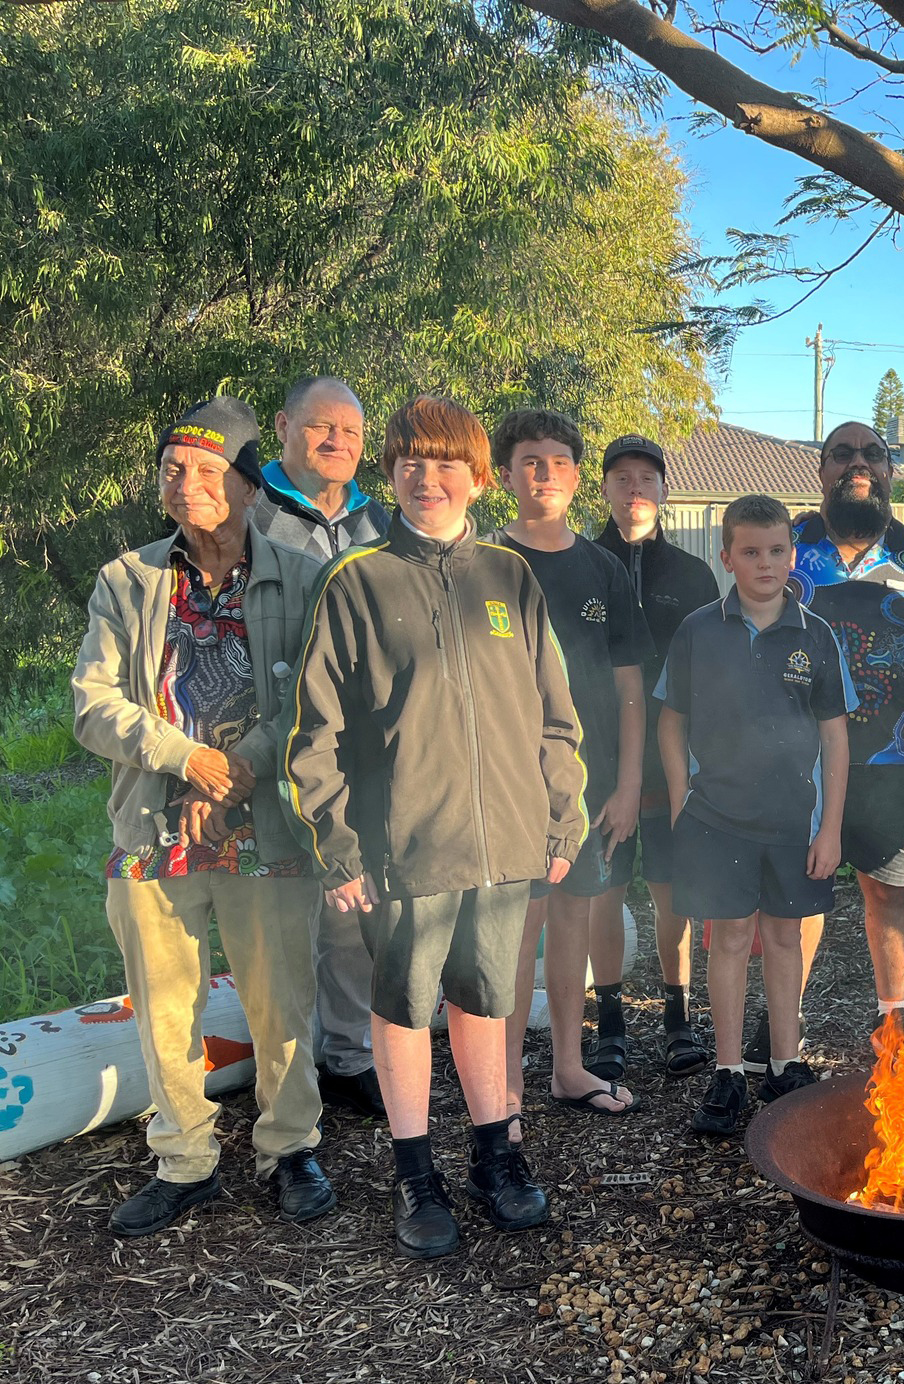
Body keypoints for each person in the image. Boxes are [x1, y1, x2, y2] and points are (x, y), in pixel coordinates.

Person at [286, 395, 587, 1259]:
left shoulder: (510, 577)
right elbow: (315, 733)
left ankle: (496, 1156)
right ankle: (414, 1173)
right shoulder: (357, 582)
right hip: (404, 848)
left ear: (478, 478)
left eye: (447, 462)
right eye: (411, 462)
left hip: (504, 843)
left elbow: (554, 712)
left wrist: (560, 817)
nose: (428, 477)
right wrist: (339, 846)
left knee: (486, 1000)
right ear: (390, 474)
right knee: (405, 1008)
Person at [73, 397, 336, 1236]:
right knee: (164, 1006)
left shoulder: (302, 578)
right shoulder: (128, 579)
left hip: (269, 830)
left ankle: (290, 1147)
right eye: (172, 469)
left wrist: (235, 770)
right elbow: (92, 705)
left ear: (251, 485)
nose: (185, 483)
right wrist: (185, 759)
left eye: (208, 470)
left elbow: (314, 700)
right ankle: (184, 1159)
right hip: (154, 830)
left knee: (280, 1000)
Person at [655, 494, 855, 1135]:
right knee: (731, 939)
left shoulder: (815, 634)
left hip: (794, 820)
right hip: (717, 818)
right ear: (727, 558)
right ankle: (728, 1071)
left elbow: (836, 737)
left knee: (785, 939)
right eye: (750, 552)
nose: (765, 563)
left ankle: (784, 1064)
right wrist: (680, 797)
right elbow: (670, 720)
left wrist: (831, 827)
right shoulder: (698, 630)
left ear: (792, 555)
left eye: (776, 550)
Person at [489, 410, 652, 1127]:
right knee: (515, 934)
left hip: (589, 785)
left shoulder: (602, 569)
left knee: (573, 920)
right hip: (508, 785)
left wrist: (628, 784)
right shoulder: (484, 563)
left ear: (578, 477)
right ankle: (503, 1087)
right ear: (505, 476)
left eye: (558, 461)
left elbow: (630, 686)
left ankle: (566, 1065)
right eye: (530, 461)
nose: (545, 474)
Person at [776, 422, 904, 1059]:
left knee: (888, 891)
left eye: (873, 454)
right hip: (800, 760)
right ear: (821, 469)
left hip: (894, 762)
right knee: (798, 895)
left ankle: (894, 1026)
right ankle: (785, 1024)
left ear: (891, 470)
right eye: (843, 454)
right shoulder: (788, 547)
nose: (859, 464)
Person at [249, 375, 388, 1120]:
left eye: (351, 431)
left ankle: (349, 1055)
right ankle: (286, 1071)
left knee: (348, 906)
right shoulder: (248, 511)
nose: (337, 441)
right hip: (264, 740)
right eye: (320, 426)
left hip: (352, 747)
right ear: (282, 426)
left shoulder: (377, 521)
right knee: (278, 918)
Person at [593, 434, 721, 1078]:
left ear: (665, 490)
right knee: (605, 889)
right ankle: (610, 1022)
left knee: (672, 890)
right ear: (604, 489)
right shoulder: (583, 563)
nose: (634, 488)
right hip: (599, 759)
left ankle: (677, 1016)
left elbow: (711, 672)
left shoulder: (693, 575)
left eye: (647, 477)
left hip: (673, 761)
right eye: (622, 477)